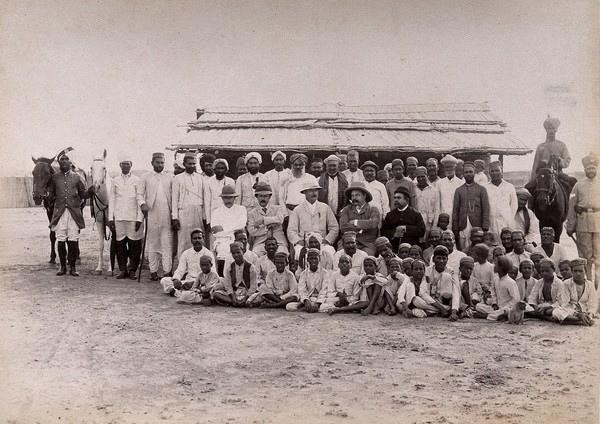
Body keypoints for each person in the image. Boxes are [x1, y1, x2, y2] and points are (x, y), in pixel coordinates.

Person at [47, 152, 95, 276]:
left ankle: (72, 267)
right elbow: (51, 195)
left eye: (66, 159)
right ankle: (62, 267)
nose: (64, 161)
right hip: (60, 213)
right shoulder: (55, 178)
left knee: (73, 238)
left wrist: (90, 192)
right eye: (61, 160)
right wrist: (46, 195)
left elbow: (83, 194)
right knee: (61, 238)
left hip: (74, 212)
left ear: (70, 162)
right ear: (59, 162)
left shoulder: (77, 177)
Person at [566, 153, 600, 288]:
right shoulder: (578, 186)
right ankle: (589, 285)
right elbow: (571, 206)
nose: (591, 170)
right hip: (583, 223)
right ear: (584, 169)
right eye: (588, 168)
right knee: (585, 257)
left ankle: (598, 285)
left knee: (598, 256)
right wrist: (570, 225)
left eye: (593, 168)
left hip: (598, 222)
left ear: (596, 169)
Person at [108, 153, 144, 280]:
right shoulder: (115, 180)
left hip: (133, 217)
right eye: (123, 164)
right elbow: (112, 200)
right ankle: (123, 269)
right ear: (120, 165)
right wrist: (111, 218)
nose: (125, 166)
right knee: (120, 244)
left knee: (134, 244)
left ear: (131, 165)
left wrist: (139, 218)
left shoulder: (137, 180)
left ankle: (132, 269)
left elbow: (140, 199)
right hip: (119, 217)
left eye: (128, 164)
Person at [139, 152, 174, 281]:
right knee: (152, 243)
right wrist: (142, 204)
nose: (160, 165)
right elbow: (140, 193)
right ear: (152, 163)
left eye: (162, 162)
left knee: (166, 242)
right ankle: (153, 271)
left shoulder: (169, 177)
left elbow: (173, 196)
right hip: (152, 213)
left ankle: (167, 271)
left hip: (166, 213)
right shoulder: (146, 177)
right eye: (158, 162)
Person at [288, 181, 339, 258]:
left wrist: (327, 240)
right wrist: (299, 241)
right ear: (304, 192)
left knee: (329, 253)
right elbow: (291, 230)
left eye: (316, 190)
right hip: (304, 243)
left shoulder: (325, 207)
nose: (314, 193)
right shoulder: (297, 210)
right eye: (310, 191)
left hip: (322, 243)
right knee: (300, 254)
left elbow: (334, 227)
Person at [160, 228, 216, 295]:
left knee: (211, 285)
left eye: (199, 238)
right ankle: (182, 291)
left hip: (203, 282)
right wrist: (176, 280)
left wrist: (195, 283)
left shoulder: (208, 253)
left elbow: (213, 273)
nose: (197, 240)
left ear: (203, 239)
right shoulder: (186, 253)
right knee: (164, 280)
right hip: (187, 281)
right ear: (191, 240)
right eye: (195, 238)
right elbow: (180, 270)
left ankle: (177, 292)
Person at [171, 151, 205, 257]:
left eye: (194, 164)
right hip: (184, 213)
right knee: (184, 241)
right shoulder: (178, 178)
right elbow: (174, 199)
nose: (192, 166)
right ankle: (183, 268)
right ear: (184, 164)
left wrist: (204, 216)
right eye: (189, 164)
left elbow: (204, 199)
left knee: (198, 240)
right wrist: (175, 217)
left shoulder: (200, 178)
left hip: (198, 212)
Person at [452, 161, 490, 250]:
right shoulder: (459, 190)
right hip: (463, 224)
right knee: (463, 248)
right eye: (466, 172)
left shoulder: (482, 189)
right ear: (463, 174)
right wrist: (455, 228)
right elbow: (455, 210)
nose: (468, 174)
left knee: (477, 248)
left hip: (477, 224)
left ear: (474, 173)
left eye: (470, 172)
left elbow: (486, 209)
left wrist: (485, 227)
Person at [211, 185, 248, 276]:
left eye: (230, 197)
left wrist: (223, 228)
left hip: (238, 240)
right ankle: (222, 278)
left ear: (234, 198)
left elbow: (241, 224)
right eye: (225, 198)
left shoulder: (241, 209)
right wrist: (233, 229)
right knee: (224, 251)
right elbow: (215, 233)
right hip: (221, 241)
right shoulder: (216, 212)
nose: (228, 200)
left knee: (243, 252)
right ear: (222, 198)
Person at [415, 246, 459, 319]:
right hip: (433, 302)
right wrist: (441, 308)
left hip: (446, 301)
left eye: (444, 258)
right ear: (433, 259)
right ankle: (444, 310)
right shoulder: (427, 271)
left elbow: (456, 291)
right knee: (416, 300)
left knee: (446, 276)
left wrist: (454, 312)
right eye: (438, 258)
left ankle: (438, 311)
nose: (441, 261)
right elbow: (422, 292)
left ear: (447, 260)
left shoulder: (451, 271)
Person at [339, 182, 381, 255]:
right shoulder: (346, 209)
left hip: (367, 243)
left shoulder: (373, 209)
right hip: (347, 242)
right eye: (352, 196)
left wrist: (355, 222)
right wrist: (363, 228)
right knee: (342, 257)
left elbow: (373, 224)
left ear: (364, 196)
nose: (354, 198)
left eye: (357, 195)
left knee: (367, 260)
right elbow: (343, 226)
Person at [552, 258, 598, 325]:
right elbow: (564, 304)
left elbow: (592, 304)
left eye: (581, 271)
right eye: (575, 271)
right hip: (570, 311)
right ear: (572, 271)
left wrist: (590, 315)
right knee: (556, 311)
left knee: (592, 313)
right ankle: (580, 321)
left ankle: (577, 320)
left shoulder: (590, 285)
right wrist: (577, 314)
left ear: (586, 271)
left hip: (585, 311)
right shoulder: (566, 283)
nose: (578, 273)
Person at [246, 182, 287, 256]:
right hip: (261, 241)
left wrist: (263, 219)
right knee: (255, 254)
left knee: (281, 254)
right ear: (256, 197)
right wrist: (266, 227)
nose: (263, 199)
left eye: (265, 196)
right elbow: (251, 230)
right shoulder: (252, 213)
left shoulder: (277, 208)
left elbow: (280, 219)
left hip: (278, 240)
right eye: (260, 196)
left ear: (269, 197)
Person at [474, 256, 520, 321]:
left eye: (496, 265)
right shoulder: (496, 279)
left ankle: (486, 315)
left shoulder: (510, 282)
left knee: (506, 310)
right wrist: (494, 304)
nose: (494, 266)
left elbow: (516, 300)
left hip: (506, 308)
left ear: (500, 268)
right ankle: (496, 315)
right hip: (496, 308)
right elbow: (493, 293)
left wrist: (503, 306)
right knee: (478, 306)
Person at [213, 242, 258, 307]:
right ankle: (238, 303)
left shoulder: (251, 267)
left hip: (248, 293)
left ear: (243, 251)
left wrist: (246, 297)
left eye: (238, 252)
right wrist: (233, 298)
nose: (236, 255)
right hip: (235, 292)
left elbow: (254, 286)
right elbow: (228, 286)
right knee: (216, 294)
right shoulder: (230, 268)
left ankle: (239, 303)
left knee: (259, 296)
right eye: (233, 253)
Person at [381, 186, 425, 252]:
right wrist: (393, 234)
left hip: (411, 249)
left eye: (399, 198)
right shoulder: (390, 215)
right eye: (395, 197)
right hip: (394, 248)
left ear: (407, 200)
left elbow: (422, 231)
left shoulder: (415, 214)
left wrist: (406, 228)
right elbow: (383, 231)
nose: (396, 200)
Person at [286, 248, 330, 312]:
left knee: (330, 303)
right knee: (289, 306)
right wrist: (306, 300)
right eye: (311, 259)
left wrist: (318, 303)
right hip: (309, 299)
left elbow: (324, 290)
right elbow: (302, 290)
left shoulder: (325, 273)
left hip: (320, 300)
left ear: (319, 259)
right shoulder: (303, 274)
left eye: (315, 259)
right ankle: (309, 307)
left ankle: (306, 308)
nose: (313, 261)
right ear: (307, 260)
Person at [530, 116, 571, 180]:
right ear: (546, 130)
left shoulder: (562, 145)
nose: (552, 131)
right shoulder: (540, 147)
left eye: (553, 128)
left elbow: (567, 161)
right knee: (529, 187)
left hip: (558, 174)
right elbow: (535, 166)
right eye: (549, 128)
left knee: (570, 183)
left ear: (556, 130)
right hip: (542, 176)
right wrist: (533, 178)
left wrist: (559, 160)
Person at [204, 158, 235, 241]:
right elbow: (207, 202)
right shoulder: (208, 182)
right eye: (218, 168)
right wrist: (208, 221)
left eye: (222, 168)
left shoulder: (231, 181)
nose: (220, 170)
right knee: (214, 241)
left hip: (228, 215)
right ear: (214, 169)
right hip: (214, 216)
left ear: (226, 170)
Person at [486, 161, 517, 237]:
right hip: (491, 224)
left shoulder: (509, 187)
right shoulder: (485, 187)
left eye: (497, 170)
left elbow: (514, 205)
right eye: (492, 171)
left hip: (506, 223)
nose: (495, 173)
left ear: (502, 171)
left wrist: (508, 219)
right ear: (489, 173)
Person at [436, 155, 464, 230]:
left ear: (455, 167)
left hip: (456, 218)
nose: (448, 169)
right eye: (446, 167)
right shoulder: (439, 183)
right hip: (443, 219)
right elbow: (437, 203)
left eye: (450, 167)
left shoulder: (461, 183)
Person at [414, 166, 440, 241]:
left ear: (427, 175)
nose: (420, 179)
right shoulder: (413, 189)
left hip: (429, 222)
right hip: (416, 222)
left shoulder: (434, 190)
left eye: (423, 176)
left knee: (428, 242)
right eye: (418, 177)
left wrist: (434, 225)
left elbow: (436, 209)